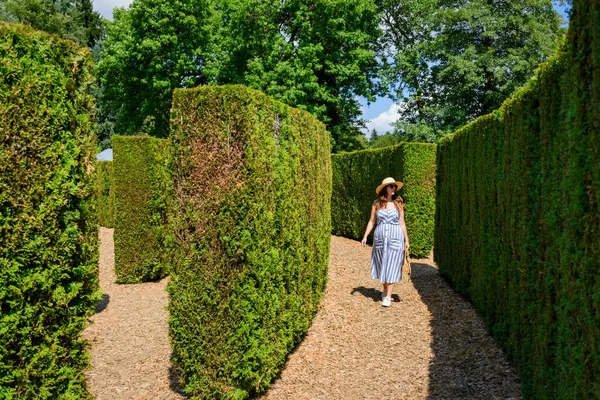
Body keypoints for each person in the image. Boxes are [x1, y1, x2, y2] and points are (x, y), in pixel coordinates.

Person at [361, 177, 410, 307]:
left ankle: (388, 296)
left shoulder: (398, 204)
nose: (394, 188)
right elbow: (372, 221)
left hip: (395, 238)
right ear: (385, 188)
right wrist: (365, 236)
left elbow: (402, 223)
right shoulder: (376, 203)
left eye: (395, 186)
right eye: (391, 186)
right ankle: (385, 289)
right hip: (380, 239)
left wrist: (406, 240)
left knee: (393, 265)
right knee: (381, 263)